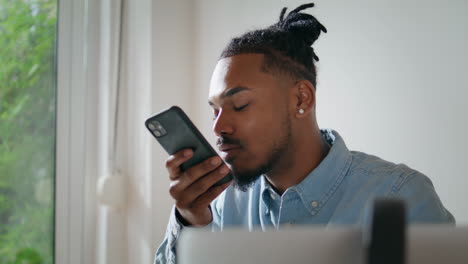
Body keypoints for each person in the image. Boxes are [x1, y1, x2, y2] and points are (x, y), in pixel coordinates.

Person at [154, 3, 455, 264]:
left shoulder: (403, 196)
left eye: (240, 105)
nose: (218, 127)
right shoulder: (218, 207)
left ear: (301, 99)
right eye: (215, 110)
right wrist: (190, 221)